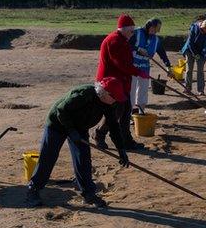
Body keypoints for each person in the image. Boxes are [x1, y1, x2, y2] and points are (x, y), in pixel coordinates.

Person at [26, 77, 130, 209]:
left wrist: (121, 150)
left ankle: (88, 194)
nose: (116, 100)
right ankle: (33, 189)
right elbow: (61, 110)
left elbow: (114, 126)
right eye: (114, 97)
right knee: (48, 157)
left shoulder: (109, 103)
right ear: (105, 93)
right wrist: (71, 130)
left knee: (83, 159)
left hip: (79, 127)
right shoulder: (84, 95)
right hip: (57, 124)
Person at [94, 14, 149, 150]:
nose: (133, 33)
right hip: (110, 84)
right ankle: (99, 135)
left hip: (121, 82)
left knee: (125, 110)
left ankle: (126, 141)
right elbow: (122, 64)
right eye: (131, 30)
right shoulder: (115, 40)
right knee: (116, 111)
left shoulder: (122, 39)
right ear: (124, 28)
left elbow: (126, 60)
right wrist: (138, 72)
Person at [129, 18, 172, 114]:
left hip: (144, 67)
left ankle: (141, 112)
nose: (155, 32)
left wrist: (168, 67)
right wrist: (138, 49)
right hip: (132, 67)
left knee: (143, 90)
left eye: (157, 30)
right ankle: (129, 114)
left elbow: (162, 54)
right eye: (155, 29)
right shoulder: (136, 33)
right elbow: (126, 44)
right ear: (149, 26)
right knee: (131, 90)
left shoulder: (156, 40)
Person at [181, 18, 206, 95]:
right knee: (189, 69)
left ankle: (201, 90)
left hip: (200, 51)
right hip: (189, 50)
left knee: (200, 70)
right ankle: (187, 88)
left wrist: (205, 55)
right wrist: (195, 54)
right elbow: (190, 43)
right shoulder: (194, 29)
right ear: (204, 27)